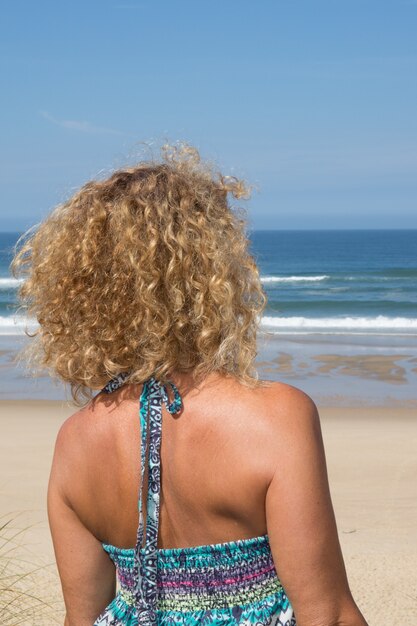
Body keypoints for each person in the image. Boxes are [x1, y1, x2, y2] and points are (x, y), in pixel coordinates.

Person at [12, 144, 368, 626]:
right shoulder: (277, 416)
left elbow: (82, 617)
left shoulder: (74, 442)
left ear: (84, 288)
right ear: (212, 270)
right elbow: (327, 613)